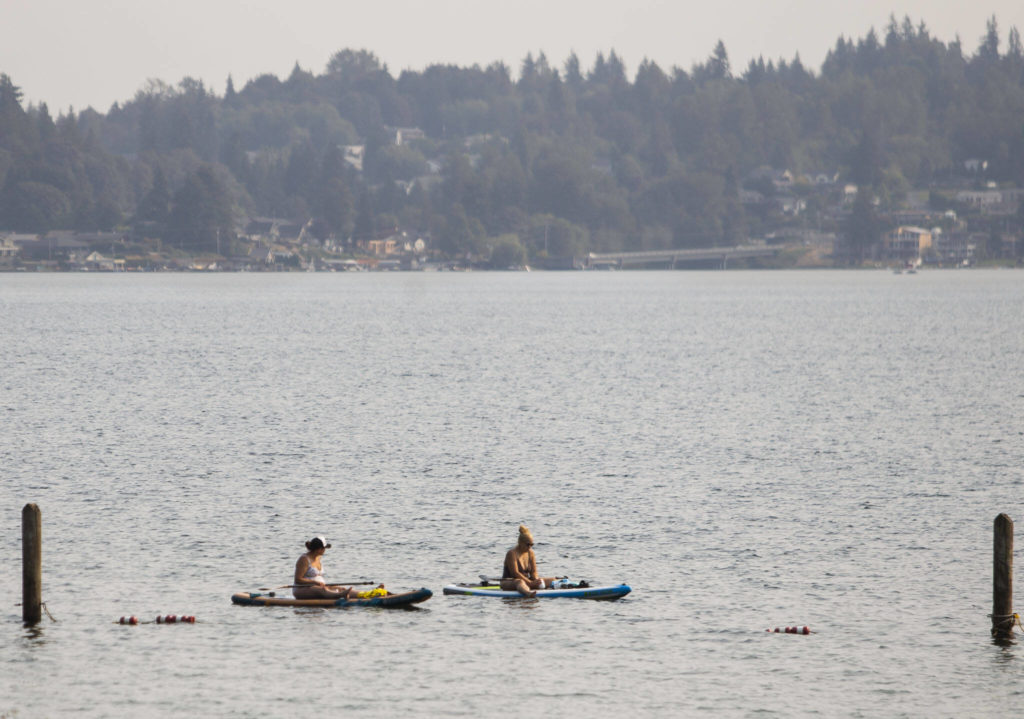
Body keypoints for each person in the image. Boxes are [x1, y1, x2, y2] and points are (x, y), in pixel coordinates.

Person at [293, 536, 378, 600]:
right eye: (324, 548)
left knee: (341, 588)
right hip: (301, 589)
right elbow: (298, 580)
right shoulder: (304, 559)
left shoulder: (318, 557)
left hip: (319, 587)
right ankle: (340, 596)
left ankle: (369, 594)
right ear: (319, 549)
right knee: (323, 590)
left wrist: (319, 584)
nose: (325, 550)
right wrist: (315, 582)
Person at [500, 525, 555, 597]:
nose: (529, 547)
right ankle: (528, 593)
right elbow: (515, 573)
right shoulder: (512, 553)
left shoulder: (531, 553)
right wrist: (530, 583)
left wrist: (536, 580)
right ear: (520, 543)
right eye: (527, 544)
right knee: (520, 582)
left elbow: (534, 572)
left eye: (531, 545)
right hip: (509, 581)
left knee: (552, 580)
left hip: (527, 581)